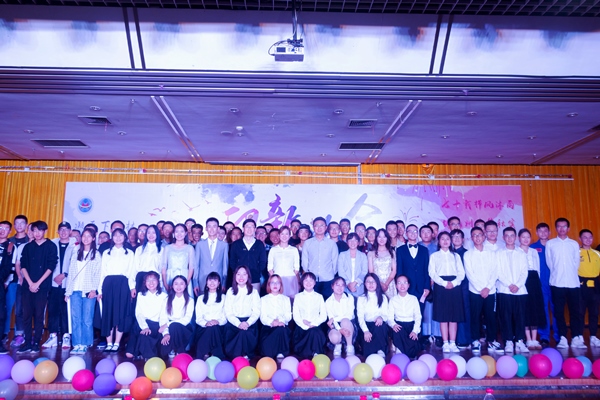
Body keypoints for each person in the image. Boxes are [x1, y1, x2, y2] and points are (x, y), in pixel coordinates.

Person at [17, 220, 58, 354]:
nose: (37, 233)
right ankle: (27, 342)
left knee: (39, 315)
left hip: (42, 286)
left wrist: (38, 283)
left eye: (40, 230)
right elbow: (23, 265)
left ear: (45, 231)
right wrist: (30, 283)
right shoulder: (28, 247)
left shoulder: (51, 246)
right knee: (26, 315)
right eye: (34, 230)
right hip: (27, 286)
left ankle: (36, 342)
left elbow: (51, 266)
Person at [546, 218, 586, 349]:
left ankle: (576, 337)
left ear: (568, 228)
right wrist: (558, 274)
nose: (562, 229)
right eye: (559, 226)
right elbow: (550, 263)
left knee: (575, 311)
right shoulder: (550, 244)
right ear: (556, 228)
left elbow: (576, 263)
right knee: (558, 312)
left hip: (573, 283)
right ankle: (562, 337)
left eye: (564, 226)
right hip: (557, 283)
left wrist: (569, 274)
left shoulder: (574, 244)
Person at [97, 228, 136, 353]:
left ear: (125, 237)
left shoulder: (130, 253)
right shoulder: (106, 253)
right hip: (108, 284)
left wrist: (132, 287)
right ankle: (109, 343)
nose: (118, 238)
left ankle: (117, 343)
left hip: (123, 284)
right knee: (108, 313)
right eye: (115, 235)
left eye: (121, 235)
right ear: (112, 238)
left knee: (121, 314)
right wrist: (99, 290)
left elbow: (132, 272)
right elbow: (102, 272)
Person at [464, 227, 501, 353]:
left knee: (491, 316)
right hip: (475, 291)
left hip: (490, 290)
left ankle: (492, 340)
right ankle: (475, 340)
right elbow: (469, 273)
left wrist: (488, 288)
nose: (477, 237)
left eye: (479, 234)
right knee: (475, 316)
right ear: (471, 238)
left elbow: (495, 271)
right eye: (474, 235)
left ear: (484, 237)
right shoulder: (468, 254)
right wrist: (480, 289)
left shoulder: (491, 254)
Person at [65, 227, 102, 355]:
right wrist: (67, 292)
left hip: (88, 291)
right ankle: (77, 344)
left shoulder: (96, 254)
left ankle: (85, 343)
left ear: (93, 238)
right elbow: (71, 273)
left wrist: (94, 289)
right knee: (76, 318)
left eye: (89, 236)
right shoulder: (76, 252)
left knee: (87, 319)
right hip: (75, 290)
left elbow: (98, 274)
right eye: (84, 236)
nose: (86, 238)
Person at [429, 231, 465, 353]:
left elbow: (461, 273)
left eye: (447, 239)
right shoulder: (434, 256)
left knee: (454, 316)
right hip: (440, 286)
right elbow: (432, 272)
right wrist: (444, 283)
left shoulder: (456, 256)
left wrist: (453, 283)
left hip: (455, 286)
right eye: (442, 239)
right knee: (443, 316)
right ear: (438, 242)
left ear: (450, 242)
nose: (445, 241)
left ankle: (453, 343)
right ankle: (445, 343)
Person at [496, 227, 529, 353]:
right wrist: (509, 284)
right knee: (505, 316)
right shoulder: (498, 253)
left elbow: (524, 272)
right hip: (504, 290)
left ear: (515, 237)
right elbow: (498, 271)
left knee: (520, 317)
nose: (509, 238)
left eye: (512, 235)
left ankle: (520, 341)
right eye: (507, 236)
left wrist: (518, 285)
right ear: (503, 238)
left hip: (520, 291)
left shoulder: (521, 253)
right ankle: (508, 341)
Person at [45, 221, 76, 349]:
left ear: (70, 231)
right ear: (57, 231)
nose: (63, 232)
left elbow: (76, 264)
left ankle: (66, 336)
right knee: (53, 310)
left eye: (66, 229)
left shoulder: (76, 245)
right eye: (61, 229)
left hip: (68, 283)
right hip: (53, 282)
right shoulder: (51, 244)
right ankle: (52, 336)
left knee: (66, 311)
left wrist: (64, 274)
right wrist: (54, 276)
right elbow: (47, 262)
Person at [224, 265, 261, 359]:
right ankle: (237, 355)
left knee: (244, 332)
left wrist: (247, 323)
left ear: (248, 276)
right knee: (240, 332)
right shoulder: (230, 291)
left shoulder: (254, 291)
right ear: (235, 276)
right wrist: (238, 323)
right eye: (238, 274)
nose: (241, 277)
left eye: (244, 274)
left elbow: (256, 311)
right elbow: (228, 312)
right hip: (234, 324)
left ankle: (245, 354)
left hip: (249, 323)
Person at [519, 228, 546, 350]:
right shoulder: (516, 251)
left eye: (528, 237)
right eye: (523, 237)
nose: (526, 239)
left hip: (534, 281)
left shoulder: (534, 251)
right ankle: (528, 339)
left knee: (535, 309)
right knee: (525, 310)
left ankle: (535, 339)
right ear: (519, 238)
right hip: (522, 281)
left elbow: (538, 269)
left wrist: (537, 282)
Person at [531, 222, 557, 347]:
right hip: (541, 284)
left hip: (556, 282)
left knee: (556, 310)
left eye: (545, 231)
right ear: (537, 233)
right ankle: (544, 336)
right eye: (540, 231)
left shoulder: (555, 245)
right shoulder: (532, 248)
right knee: (543, 310)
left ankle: (559, 336)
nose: (543, 233)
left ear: (549, 232)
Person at [396, 224, 430, 318]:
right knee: (406, 313)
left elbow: (427, 270)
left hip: (421, 288)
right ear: (406, 234)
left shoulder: (424, 250)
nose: (412, 233)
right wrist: (400, 286)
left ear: (417, 233)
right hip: (406, 287)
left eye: (415, 231)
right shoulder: (400, 250)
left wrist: (427, 286)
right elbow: (399, 270)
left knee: (419, 314)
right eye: (410, 231)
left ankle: (419, 328)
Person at [301, 217, 338, 298]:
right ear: (313, 227)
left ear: (326, 227)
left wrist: (331, 274)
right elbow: (305, 261)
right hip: (312, 280)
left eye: (322, 225)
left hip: (328, 279)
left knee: (327, 302)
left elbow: (335, 261)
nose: (319, 228)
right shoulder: (307, 243)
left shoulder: (331, 243)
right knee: (313, 302)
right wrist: (308, 276)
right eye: (316, 225)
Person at [292, 272, 327, 359]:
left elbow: (323, 315)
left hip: (315, 326)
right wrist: (305, 325)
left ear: (315, 283)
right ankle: (310, 352)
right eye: (306, 280)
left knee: (314, 332)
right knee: (312, 332)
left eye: (311, 280)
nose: (308, 283)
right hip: (301, 328)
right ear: (302, 282)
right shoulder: (298, 297)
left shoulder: (319, 297)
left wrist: (313, 323)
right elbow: (295, 315)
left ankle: (315, 353)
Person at [134, 271, 168, 360]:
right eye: (148, 280)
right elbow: (139, 314)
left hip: (157, 325)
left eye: (153, 280)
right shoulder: (140, 295)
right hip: (143, 324)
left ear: (158, 281)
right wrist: (144, 327)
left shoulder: (164, 296)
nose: (151, 283)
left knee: (163, 352)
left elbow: (164, 316)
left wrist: (165, 332)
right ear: (145, 283)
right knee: (143, 337)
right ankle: (148, 357)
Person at [7, 215, 29, 348]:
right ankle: (4, 334)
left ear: (26, 225)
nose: (20, 225)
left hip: (24, 281)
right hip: (9, 280)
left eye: (22, 223)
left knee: (21, 309)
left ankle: (20, 334)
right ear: (14, 226)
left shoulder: (30, 240)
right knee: (6, 308)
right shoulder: (9, 241)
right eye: (17, 223)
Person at [159, 275, 194, 358]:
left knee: (175, 326)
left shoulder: (190, 300)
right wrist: (166, 333)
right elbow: (163, 318)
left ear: (185, 286)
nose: (178, 286)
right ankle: (176, 349)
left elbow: (187, 319)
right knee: (162, 351)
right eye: (176, 284)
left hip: (184, 328)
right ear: (172, 286)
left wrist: (168, 324)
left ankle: (177, 350)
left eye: (181, 284)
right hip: (170, 329)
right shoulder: (167, 299)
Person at [388, 275, 422, 358]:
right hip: (399, 326)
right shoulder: (393, 300)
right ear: (396, 286)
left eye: (405, 282)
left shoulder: (413, 299)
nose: (402, 285)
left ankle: (406, 350)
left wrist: (415, 331)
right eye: (399, 283)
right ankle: (400, 349)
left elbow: (418, 317)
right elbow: (389, 317)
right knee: (397, 330)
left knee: (413, 352)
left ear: (408, 285)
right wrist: (393, 325)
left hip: (411, 326)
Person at [194, 272, 226, 359]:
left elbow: (225, 317)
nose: (212, 282)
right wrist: (206, 323)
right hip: (203, 328)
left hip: (219, 328)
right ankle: (216, 354)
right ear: (206, 283)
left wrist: (217, 321)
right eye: (210, 280)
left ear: (219, 283)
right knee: (210, 328)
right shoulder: (200, 298)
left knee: (214, 328)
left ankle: (204, 352)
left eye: (215, 280)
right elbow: (198, 318)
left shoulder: (224, 297)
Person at [259, 274, 292, 359]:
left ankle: (281, 351)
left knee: (281, 329)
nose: (275, 285)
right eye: (272, 282)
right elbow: (263, 317)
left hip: (282, 327)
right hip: (268, 328)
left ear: (281, 285)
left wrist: (280, 321)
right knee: (267, 352)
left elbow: (288, 315)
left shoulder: (286, 299)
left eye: (277, 282)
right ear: (269, 284)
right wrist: (272, 322)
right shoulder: (263, 299)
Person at [228, 219, 266, 292]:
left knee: (254, 297)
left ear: (255, 229)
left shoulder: (259, 244)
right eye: (247, 226)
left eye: (252, 226)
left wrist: (257, 271)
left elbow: (263, 262)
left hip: (255, 279)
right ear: (243, 228)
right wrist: (238, 273)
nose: (249, 229)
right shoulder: (236, 244)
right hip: (239, 279)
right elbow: (232, 261)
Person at [194, 217, 229, 296]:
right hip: (202, 281)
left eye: (214, 226)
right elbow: (196, 265)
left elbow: (225, 266)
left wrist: (224, 283)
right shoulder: (200, 244)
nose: (212, 229)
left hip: (218, 281)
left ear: (218, 228)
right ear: (206, 228)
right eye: (209, 226)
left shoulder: (224, 245)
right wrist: (195, 282)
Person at [357, 273, 389, 357]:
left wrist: (381, 317)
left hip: (379, 326)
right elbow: (360, 317)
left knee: (380, 326)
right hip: (366, 326)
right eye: (368, 281)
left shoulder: (383, 297)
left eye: (373, 281)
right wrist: (365, 331)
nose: (371, 284)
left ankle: (380, 349)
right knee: (368, 353)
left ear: (377, 283)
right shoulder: (361, 298)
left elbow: (386, 315)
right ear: (365, 284)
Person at [578, 229, 600, 347]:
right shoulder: (576, 252)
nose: (588, 240)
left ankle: (593, 336)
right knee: (580, 312)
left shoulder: (597, 253)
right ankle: (579, 337)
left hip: (595, 287)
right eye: (585, 237)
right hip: (581, 286)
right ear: (580, 239)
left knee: (594, 313)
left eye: (590, 237)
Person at [326, 277, 356, 357]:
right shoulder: (328, 301)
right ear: (332, 286)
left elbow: (349, 315)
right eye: (337, 285)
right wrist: (339, 329)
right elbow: (330, 319)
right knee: (334, 336)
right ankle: (338, 345)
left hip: (348, 324)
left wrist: (334, 319)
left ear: (345, 287)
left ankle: (349, 346)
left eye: (342, 285)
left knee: (345, 321)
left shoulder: (349, 298)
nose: (340, 287)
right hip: (335, 325)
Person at [267, 226, 300, 299]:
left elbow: (297, 268)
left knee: (291, 300)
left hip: (291, 279)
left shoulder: (294, 250)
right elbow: (270, 267)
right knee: (278, 300)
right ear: (279, 235)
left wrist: (290, 276)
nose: (284, 236)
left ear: (290, 235)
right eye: (282, 234)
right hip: (277, 280)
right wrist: (275, 279)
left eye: (286, 234)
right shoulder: (273, 250)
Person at [161, 224, 195, 295]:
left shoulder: (189, 248)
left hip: (184, 276)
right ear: (173, 233)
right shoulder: (167, 248)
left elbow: (191, 267)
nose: (179, 234)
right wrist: (165, 283)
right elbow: (164, 266)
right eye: (177, 231)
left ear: (185, 233)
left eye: (181, 231)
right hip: (170, 277)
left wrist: (187, 282)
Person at [451, 228, 470, 348]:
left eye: (459, 236)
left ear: (463, 239)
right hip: (451, 287)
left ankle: (464, 340)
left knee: (464, 312)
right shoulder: (448, 253)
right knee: (453, 313)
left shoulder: (467, 253)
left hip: (464, 286)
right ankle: (454, 339)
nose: (457, 239)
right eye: (454, 236)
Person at [337, 233, 368, 298]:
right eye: (350, 240)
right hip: (345, 288)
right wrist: (348, 283)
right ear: (347, 242)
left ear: (358, 242)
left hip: (360, 287)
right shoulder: (342, 255)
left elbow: (364, 271)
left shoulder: (363, 256)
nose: (352, 242)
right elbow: (341, 271)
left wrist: (355, 283)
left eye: (355, 240)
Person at [368, 229, 397, 300]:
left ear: (387, 238)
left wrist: (386, 284)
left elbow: (394, 270)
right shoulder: (371, 253)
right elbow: (371, 271)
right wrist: (380, 284)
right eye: (379, 237)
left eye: (384, 237)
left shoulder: (392, 252)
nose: (382, 239)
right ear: (376, 238)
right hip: (376, 283)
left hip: (390, 283)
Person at [0, 221, 14, 352]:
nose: (2, 230)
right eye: (0, 227)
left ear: (10, 231)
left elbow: (8, 266)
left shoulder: (10, 246)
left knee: (1, 314)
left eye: (5, 228)